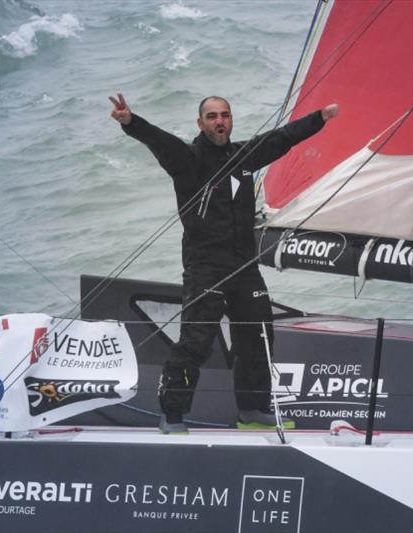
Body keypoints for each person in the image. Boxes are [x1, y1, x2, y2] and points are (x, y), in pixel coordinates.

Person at [109, 93, 338, 434]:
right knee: (195, 342)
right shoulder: (187, 158)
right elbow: (157, 140)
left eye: (225, 115)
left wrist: (318, 117)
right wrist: (131, 121)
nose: (220, 121)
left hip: (244, 266)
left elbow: (281, 140)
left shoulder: (244, 156)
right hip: (206, 268)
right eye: (212, 116)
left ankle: (252, 411)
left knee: (257, 338)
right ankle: (172, 415)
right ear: (200, 123)